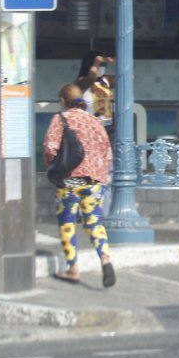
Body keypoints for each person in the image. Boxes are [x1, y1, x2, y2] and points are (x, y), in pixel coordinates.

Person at [44, 83, 116, 288]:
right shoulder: (95, 121)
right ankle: (105, 259)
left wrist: (53, 168)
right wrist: (99, 177)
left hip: (70, 179)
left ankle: (73, 268)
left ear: (62, 101)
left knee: (67, 222)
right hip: (93, 181)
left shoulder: (61, 119)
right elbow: (107, 153)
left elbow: (50, 148)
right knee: (94, 222)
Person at [75, 49, 115, 134]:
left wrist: (118, 61)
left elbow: (129, 77)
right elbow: (91, 79)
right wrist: (97, 61)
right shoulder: (81, 81)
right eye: (100, 64)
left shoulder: (105, 80)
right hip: (89, 127)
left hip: (107, 126)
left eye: (103, 64)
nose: (102, 67)